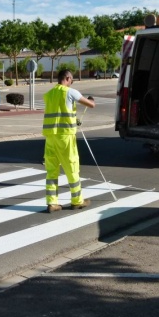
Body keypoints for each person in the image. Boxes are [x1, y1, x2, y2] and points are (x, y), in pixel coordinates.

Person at [42, 69, 95, 213]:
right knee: (72, 167)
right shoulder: (70, 92)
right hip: (65, 136)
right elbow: (90, 105)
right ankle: (77, 201)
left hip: (50, 136)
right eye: (72, 80)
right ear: (67, 78)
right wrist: (91, 100)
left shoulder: (49, 94)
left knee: (52, 170)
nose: (72, 83)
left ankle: (52, 203)